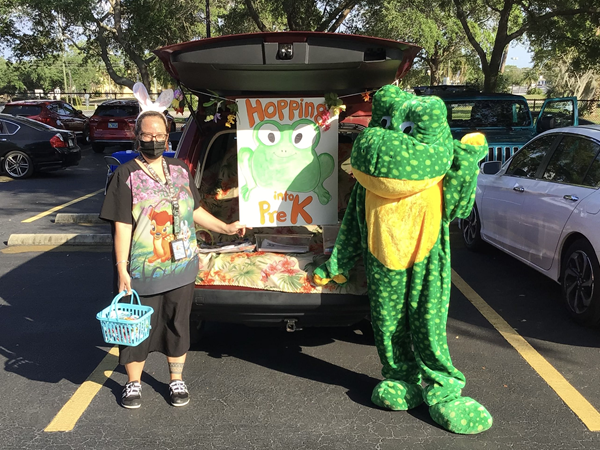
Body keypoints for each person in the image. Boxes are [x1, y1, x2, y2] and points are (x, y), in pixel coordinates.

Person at [100, 103, 246, 409]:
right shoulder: (125, 176)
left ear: (169, 136)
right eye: (147, 133)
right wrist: (122, 269)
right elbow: (122, 227)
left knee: (178, 325)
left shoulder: (179, 169)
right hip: (142, 271)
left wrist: (227, 228)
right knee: (135, 328)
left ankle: (176, 379)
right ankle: (133, 383)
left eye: (160, 134)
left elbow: (194, 211)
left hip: (181, 268)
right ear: (136, 136)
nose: (154, 138)